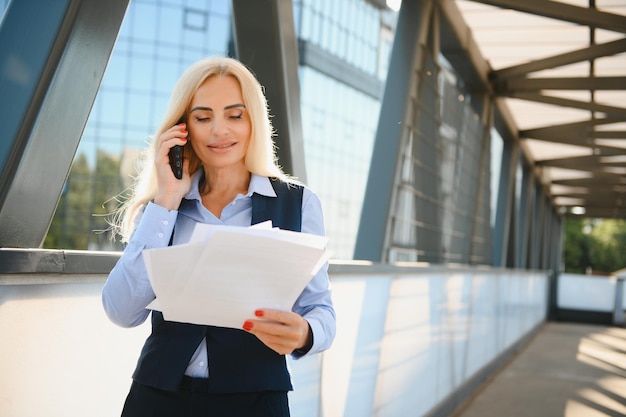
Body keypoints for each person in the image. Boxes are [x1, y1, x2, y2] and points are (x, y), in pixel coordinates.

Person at [102, 56, 336, 417]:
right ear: (183, 128)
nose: (219, 131)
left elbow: (321, 310)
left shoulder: (299, 204)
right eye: (203, 117)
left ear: (253, 121)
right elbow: (121, 311)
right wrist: (166, 200)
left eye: (234, 115)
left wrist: (306, 332)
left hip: (256, 401)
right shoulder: (162, 207)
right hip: (157, 399)